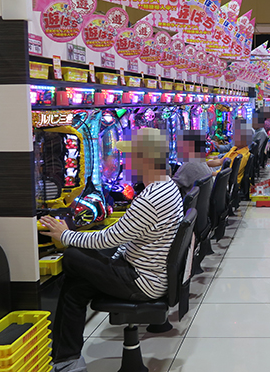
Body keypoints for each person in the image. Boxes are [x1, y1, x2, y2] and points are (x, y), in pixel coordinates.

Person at [41, 128, 183, 372]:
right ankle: (66, 360)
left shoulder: (151, 198)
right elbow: (123, 238)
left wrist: (64, 235)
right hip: (148, 273)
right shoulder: (166, 186)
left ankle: (66, 358)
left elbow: (109, 238)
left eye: (130, 155)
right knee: (75, 288)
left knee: (73, 257)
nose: (124, 160)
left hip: (142, 281)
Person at [207, 118, 251, 184]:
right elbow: (220, 161)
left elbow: (227, 175)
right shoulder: (235, 148)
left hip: (227, 182)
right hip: (222, 177)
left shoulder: (242, 156)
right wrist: (204, 165)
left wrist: (209, 173)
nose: (232, 137)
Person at [172, 129, 213, 197]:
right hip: (203, 200)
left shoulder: (189, 165)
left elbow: (171, 188)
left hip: (192, 202)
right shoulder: (199, 160)